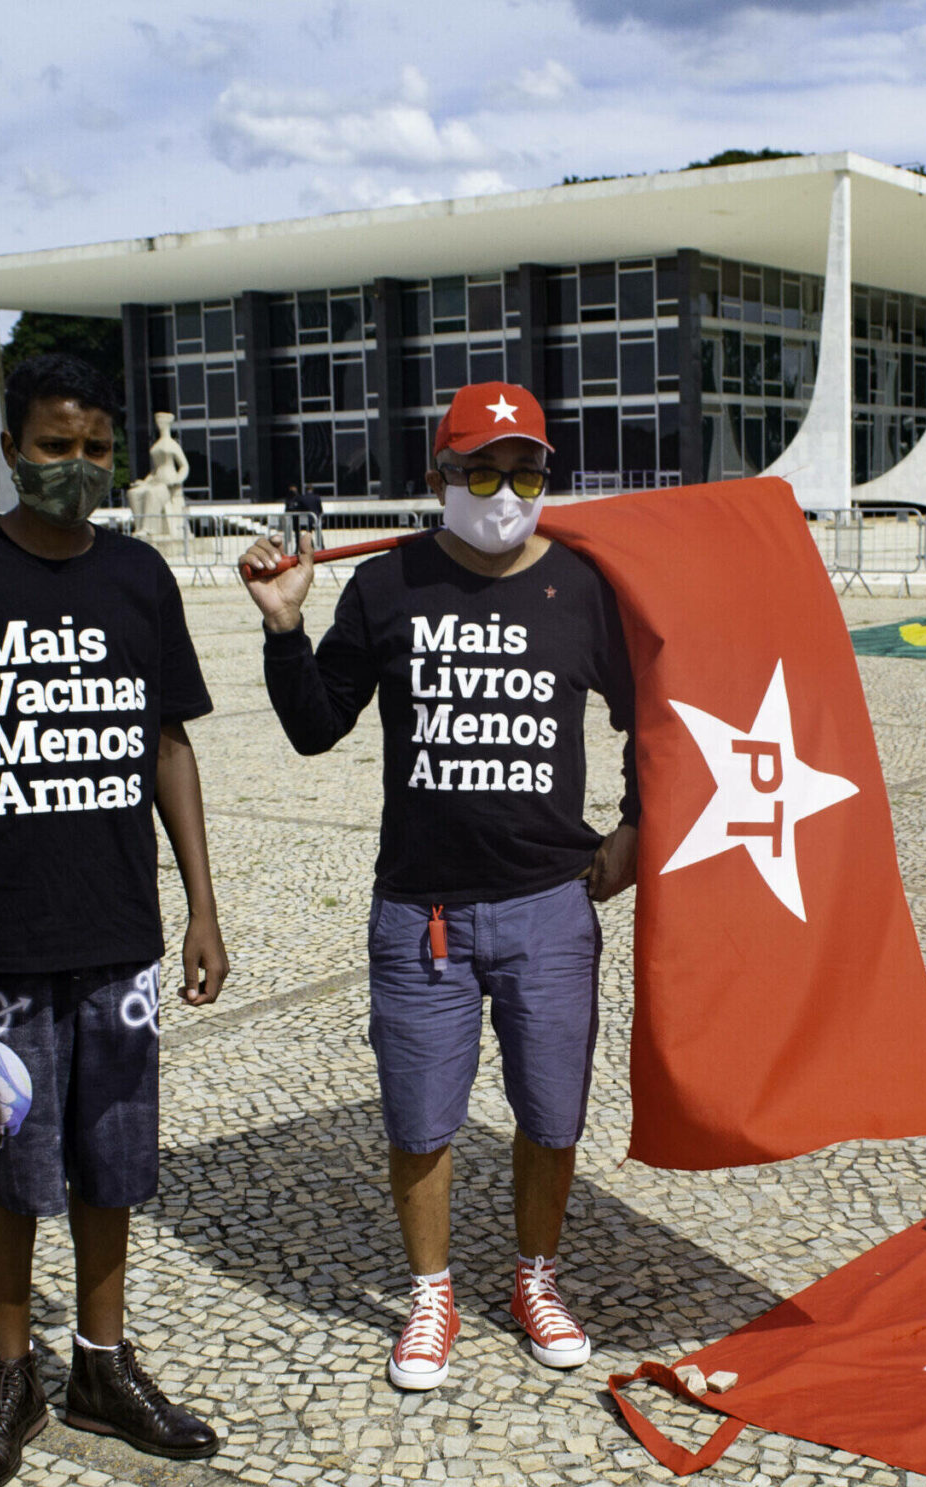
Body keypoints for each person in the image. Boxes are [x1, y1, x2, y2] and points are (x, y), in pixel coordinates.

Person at [236, 383, 639, 1393]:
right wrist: (285, 629)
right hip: (422, 912)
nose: (505, 492)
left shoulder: (583, 588)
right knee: (421, 1122)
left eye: (527, 471)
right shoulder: (388, 583)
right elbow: (315, 723)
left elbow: (656, 714)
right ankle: (431, 1291)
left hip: (551, 903)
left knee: (552, 1117)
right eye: (482, 472)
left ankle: (535, 1278)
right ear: (440, 479)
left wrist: (634, 826)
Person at [0, 352, 229, 1487]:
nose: (75, 470)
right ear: (11, 448)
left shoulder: (139, 579)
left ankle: (99, 1362)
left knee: (111, 1160)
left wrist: (200, 905)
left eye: (94, 451)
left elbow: (169, 744)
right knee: (10, 1161)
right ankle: (7, 1373)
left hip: (117, 932)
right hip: (0, 943)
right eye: (53, 447)